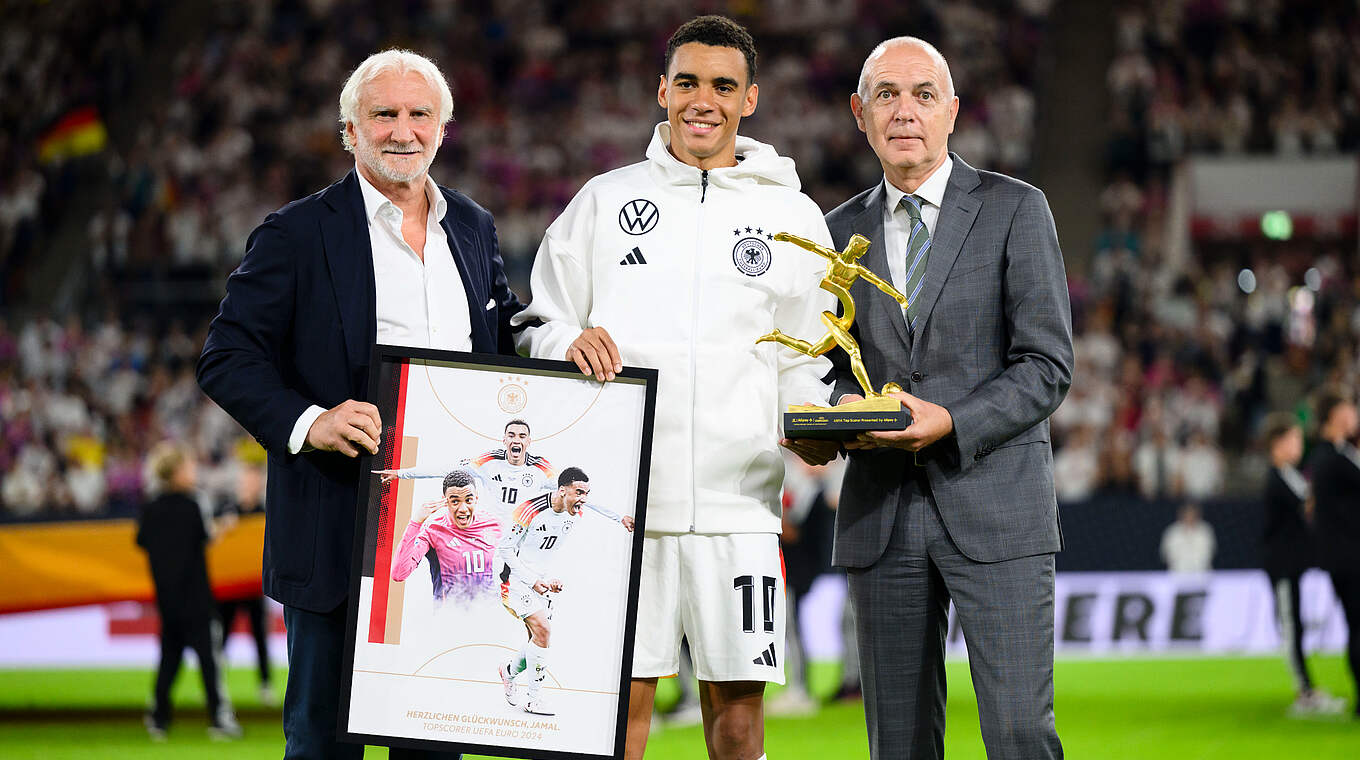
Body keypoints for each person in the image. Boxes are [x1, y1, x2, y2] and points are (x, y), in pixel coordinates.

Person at [511, 15, 835, 760]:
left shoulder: (790, 217)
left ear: (749, 99)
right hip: (624, 510)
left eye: (723, 85)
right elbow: (537, 319)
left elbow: (806, 358)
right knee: (620, 718)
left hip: (740, 510)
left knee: (739, 722)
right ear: (662, 89)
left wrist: (814, 421)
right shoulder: (603, 201)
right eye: (687, 82)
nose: (703, 100)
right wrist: (567, 338)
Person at [197, 48, 522, 759]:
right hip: (337, 524)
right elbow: (226, 357)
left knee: (434, 741)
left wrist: (569, 344)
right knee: (321, 743)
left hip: (446, 530)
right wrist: (312, 422)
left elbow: (505, 344)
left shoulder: (472, 227)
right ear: (349, 130)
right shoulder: (296, 233)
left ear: (444, 127)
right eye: (383, 114)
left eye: (419, 114)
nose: (402, 130)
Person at [790, 36, 1073, 759]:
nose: (904, 110)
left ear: (952, 111)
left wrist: (952, 421)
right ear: (860, 113)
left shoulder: (1017, 209)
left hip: (998, 509)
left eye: (922, 94)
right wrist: (827, 419)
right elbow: (827, 366)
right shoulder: (833, 234)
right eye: (886, 94)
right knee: (901, 745)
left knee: (1017, 733)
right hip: (883, 515)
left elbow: (1046, 364)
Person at [494, 467, 634, 716]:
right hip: (514, 580)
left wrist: (619, 518)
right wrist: (532, 579)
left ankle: (508, 671)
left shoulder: (575, 510)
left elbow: (593, 505)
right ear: (561, 490)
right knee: (544, 631)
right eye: (579, 492)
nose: (583, 499)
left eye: (586, 493)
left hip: (541, 580)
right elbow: (504, 548)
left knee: (537, 639)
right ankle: (533, 700)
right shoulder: (530, 510)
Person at [136, 441, 241, 741]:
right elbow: (207, 535)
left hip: (167, 600)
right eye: (189, 466)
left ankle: (158, 719)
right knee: (210, 661)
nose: (193, 471)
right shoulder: (195, 503)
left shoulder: (150, 508)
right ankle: (220, 719)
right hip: (197, 599)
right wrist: (228, 527)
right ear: (177, 471)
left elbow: (141, 542)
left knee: (169, 659)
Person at [1260, 412, 1345, 715]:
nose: (1299, 445)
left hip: (1292, 564)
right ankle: (1304, 693)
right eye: (1294, 439)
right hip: (1282, 566)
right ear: (1277, 444)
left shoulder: (1290, 474)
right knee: (1291, 627)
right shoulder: (1279, 477)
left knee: (1295, 624)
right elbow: (1310, 503)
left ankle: (1307, 689)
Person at [375, 418, 555, 523]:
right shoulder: (489, 461)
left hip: (521, 536)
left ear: (528, 442)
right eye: (511, 435)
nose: (517, 440)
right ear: (504, 440)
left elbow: (575, 488)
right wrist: (400, 473)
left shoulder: (541, 467)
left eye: (522, 436)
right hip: (490, 533)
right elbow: (444, 469)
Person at [1307, 386, 1360, 718]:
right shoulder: (1334, 460)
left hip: (1341, 558)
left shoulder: (1327, 458)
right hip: (1351, 559)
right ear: (1337, 417)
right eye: (1350, 410)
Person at [391, 468, 502, 604]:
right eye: (455, 501)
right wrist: (416, 522)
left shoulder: (494, 526)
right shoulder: (433, 530)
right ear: (445, 501)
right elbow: (399, 574)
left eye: (468, 500)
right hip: (449, 618)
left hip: (490, 617)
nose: (463, 509)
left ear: (476, 498)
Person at [1159, 503, 1215, 574]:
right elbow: (1165, 554)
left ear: (1198, 515)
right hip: (1177, 572)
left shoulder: (1205, 530)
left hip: (1202, 572)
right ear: (1181, 515)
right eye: (1187, 514)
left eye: (1192, 514)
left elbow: (1209, 551)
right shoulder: (1172, 531)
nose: (1189, 517)